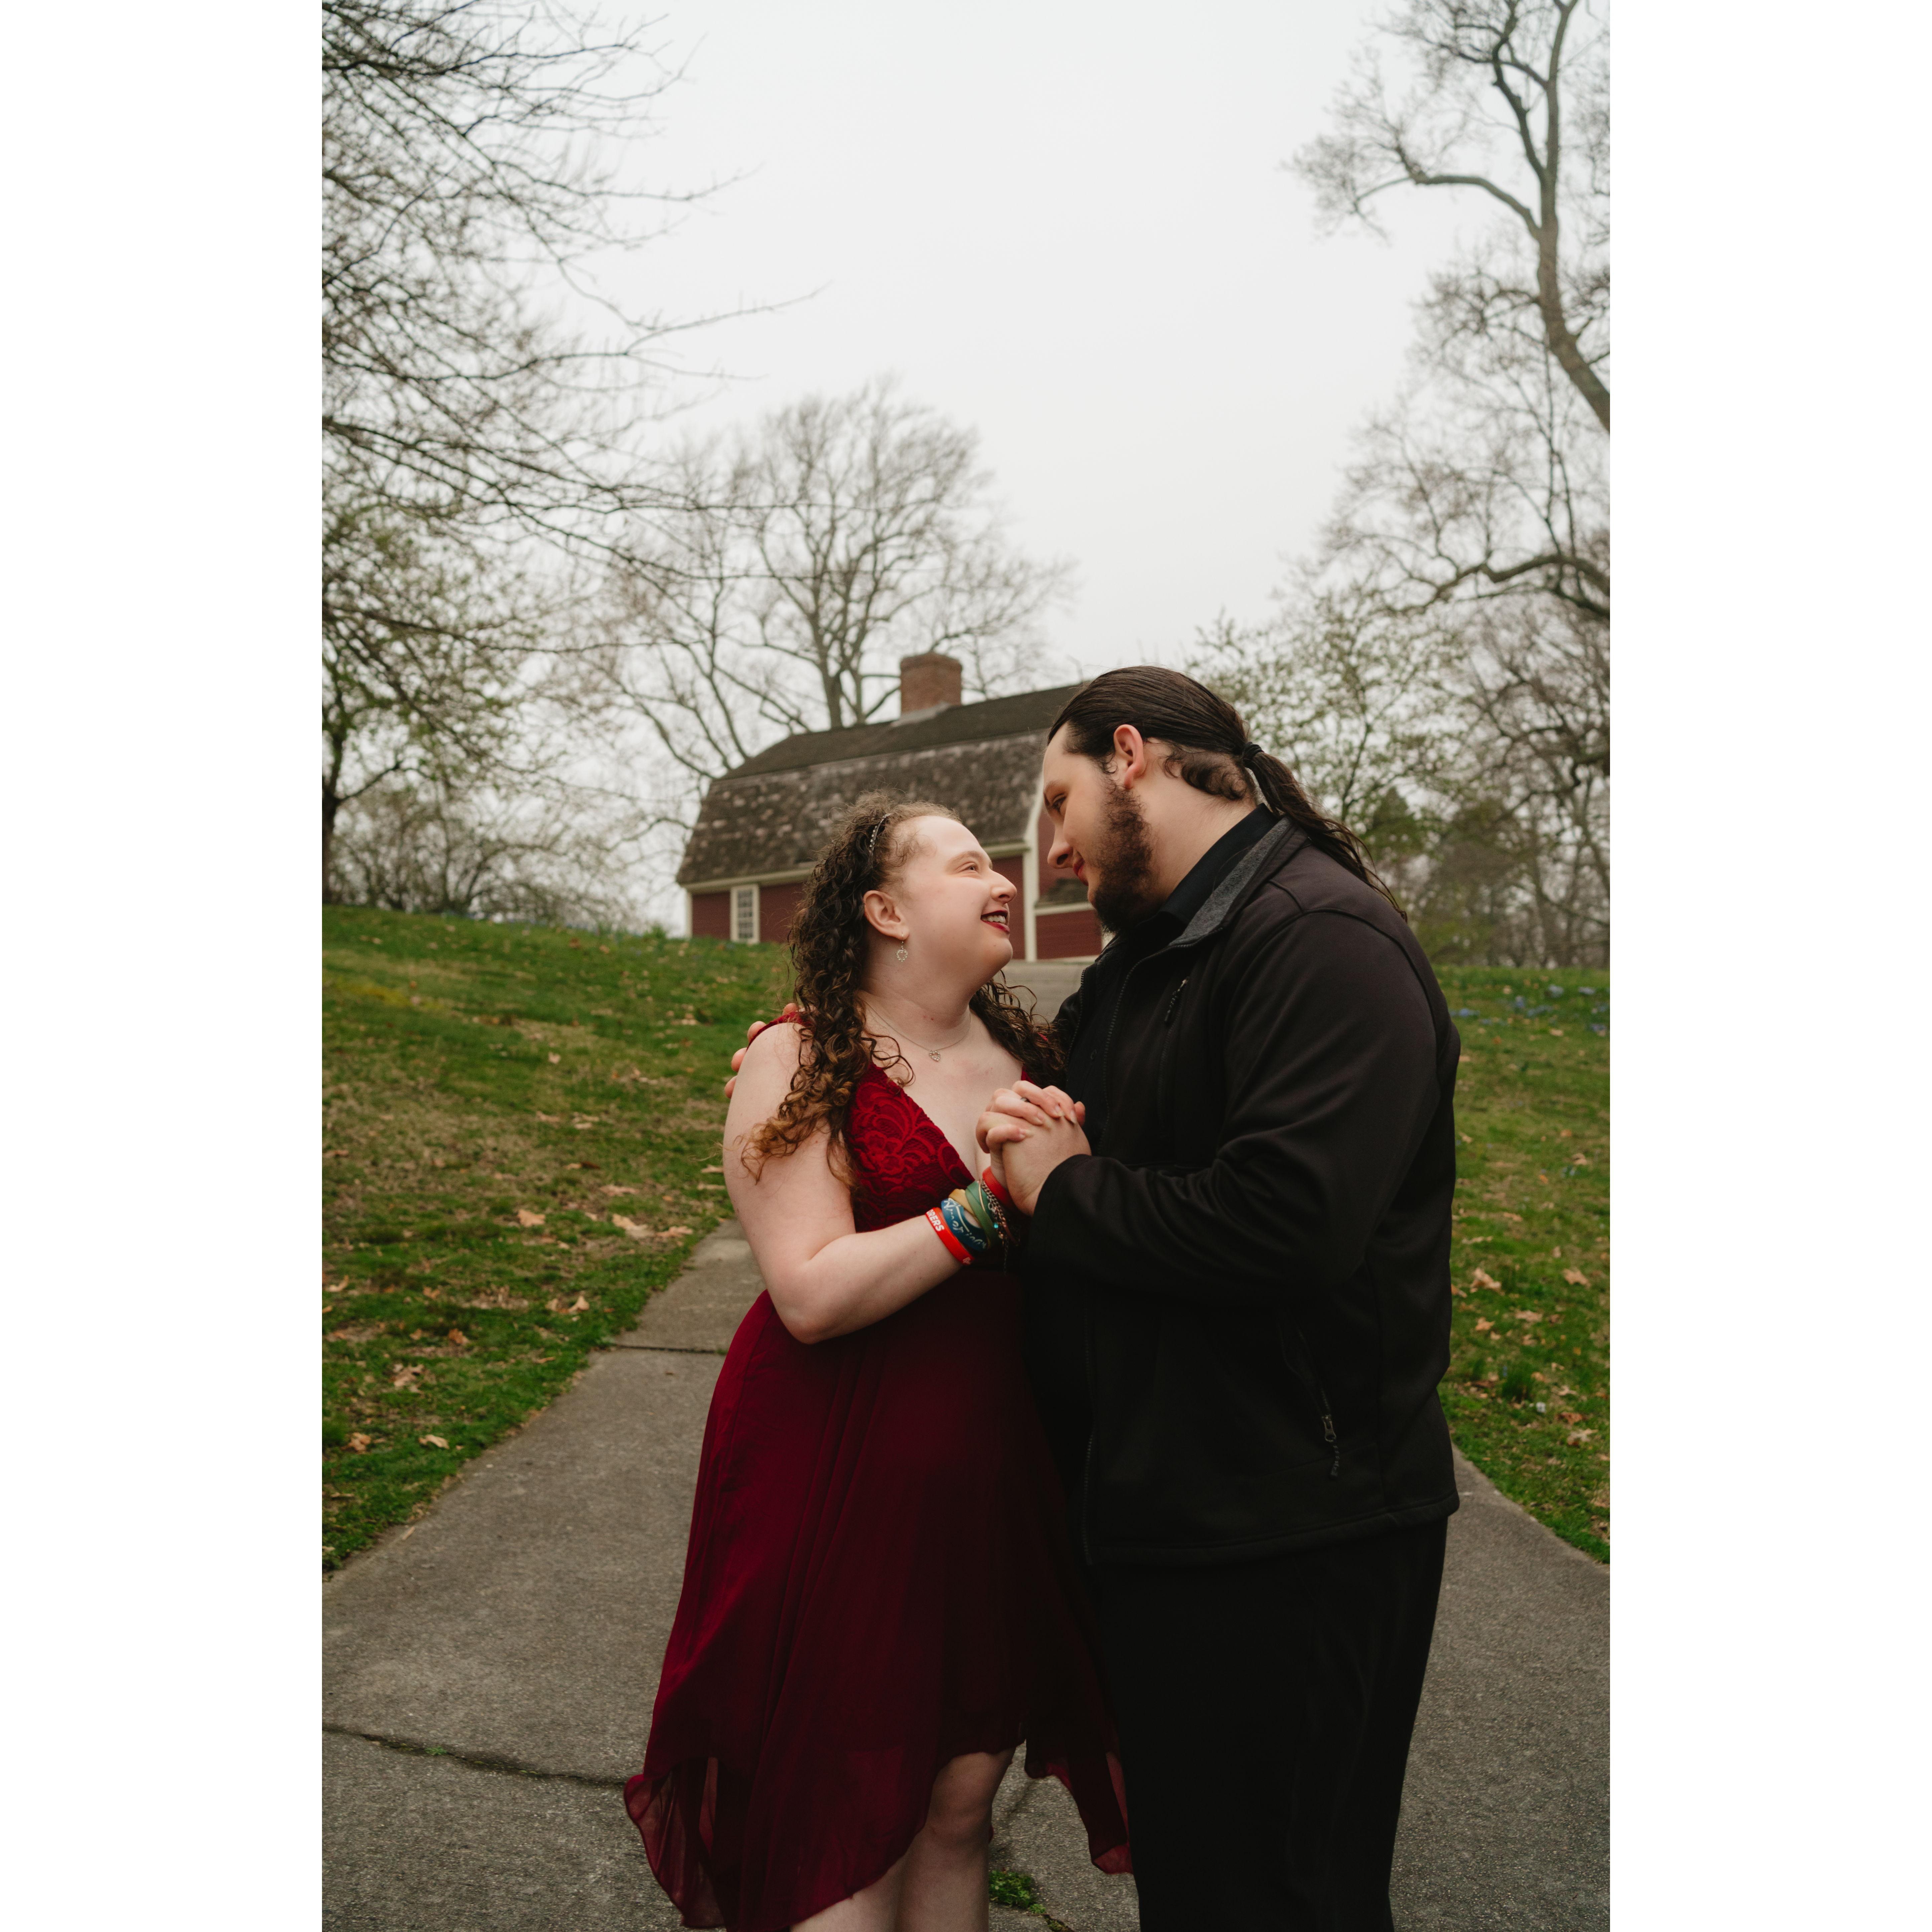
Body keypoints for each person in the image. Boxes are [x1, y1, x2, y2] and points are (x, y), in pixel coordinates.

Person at [972, 666, 1462, 1931]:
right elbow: (1036, 1117)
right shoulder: (1150, 960)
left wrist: (1066, 1189)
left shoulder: (1322, 939)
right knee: (1204, 1893)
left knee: (1285, 1897)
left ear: (1131, 755)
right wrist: (827, 1053)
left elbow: (1288, 1223)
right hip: (1171, 1519)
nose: (1053, 848)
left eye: (1059, 799)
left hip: (1295, 1535)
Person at [627, 793, 1129, 1932]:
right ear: (886, 911)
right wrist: (989, 1208)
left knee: (957, 1810)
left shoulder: (1036, 1060)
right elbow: (807, 1294)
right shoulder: (798, 1056)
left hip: (991, 1478)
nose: (1003, 881)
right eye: (968, 865)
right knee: (842, 1819)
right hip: (833, 1468)